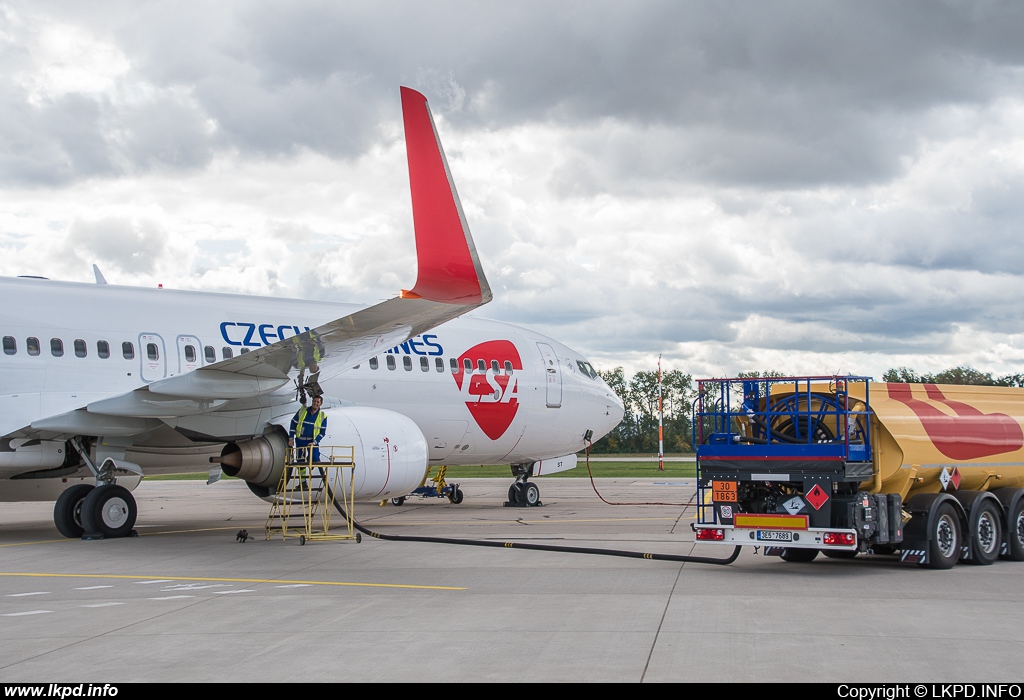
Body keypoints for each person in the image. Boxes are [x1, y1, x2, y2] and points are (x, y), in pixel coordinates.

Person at [289, 395, 328, 467]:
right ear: (312, 401)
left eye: (318, 402)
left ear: (320, 404)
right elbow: (293, 422)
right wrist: (291, 438)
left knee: (314, 458)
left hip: (312, 441)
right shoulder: (303, 411)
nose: (315, 403)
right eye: (314, 401)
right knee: (300, 461)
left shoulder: (323, 416)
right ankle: (303, 478)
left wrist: (314, 442)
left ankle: (310, 462)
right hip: (300, 440)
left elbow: (322, 433)